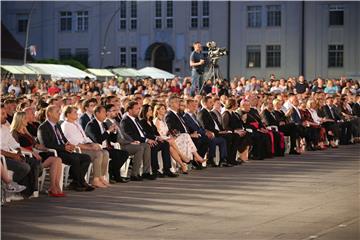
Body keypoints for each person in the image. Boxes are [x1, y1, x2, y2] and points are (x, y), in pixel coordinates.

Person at [37, 105, 94, 192]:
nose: (59, 113)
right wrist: (64, 147)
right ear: (49, 113)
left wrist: (69, 145)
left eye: (59, 112)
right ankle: (78, 183)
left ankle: (77, 182)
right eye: (57, 112)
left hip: (64, 150)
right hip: (54, 153)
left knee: (86, 158)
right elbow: (46, 144)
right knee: (75, 159)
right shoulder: (43, 127)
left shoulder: (57, 125)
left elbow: (63, 139)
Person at [10, 111, 65, 197]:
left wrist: (42, 147)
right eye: (25, 118)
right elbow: (16, 147)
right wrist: (31, 152)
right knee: (54, 160)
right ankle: (53, 187)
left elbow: (34, 144)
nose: (27, 120)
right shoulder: (14, 132)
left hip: (35, 153)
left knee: (58, 159)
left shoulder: (25, 130)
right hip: (27, 155)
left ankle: (55, 185)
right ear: (20, 120)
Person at [120, 101, 177, 179]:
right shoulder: (125, 121)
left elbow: (144, 133)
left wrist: (154, 138)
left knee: (165, 144)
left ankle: (165, 169)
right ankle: (153, 170)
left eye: (139, 108)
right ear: (130, 110)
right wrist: (147, 140)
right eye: (136, 109)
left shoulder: (136, 119)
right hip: (133, 143)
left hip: (144, 140)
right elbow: (131, 136)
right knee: (152, 146)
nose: (138, 110)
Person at [61, 106, 110, 188]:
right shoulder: (66, 125)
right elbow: (73, 142)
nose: (77, 114)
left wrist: (93, 144)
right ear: (68, 114)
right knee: (98, 154)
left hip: (85, 146)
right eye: (74, 112)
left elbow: (85, 137)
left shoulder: (76, 124)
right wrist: (90, 148)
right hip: (77, 150)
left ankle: (101, 177)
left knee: (105, 152)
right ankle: (95, 179)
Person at [85, 105, 130, 183]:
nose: (105, 114)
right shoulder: (91, 125)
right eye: (103, 112)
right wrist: (108, 131)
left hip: (108, 147)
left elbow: (112, 139)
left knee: (124, 154)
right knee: (116, 156)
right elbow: (97, 140)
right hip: (99, 148)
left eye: (105, 112)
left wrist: (114, 132)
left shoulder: (104, 124)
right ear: (97, 113)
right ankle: (115, 176)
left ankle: (112, 172)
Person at [151, 104, 189, 174]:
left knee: (171, 147)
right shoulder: (156, 120)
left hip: (167, 139)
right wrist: (168, 137)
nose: (164, 110)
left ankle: (182, 165)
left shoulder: (163, 120)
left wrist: (171, 133)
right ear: (157, 111)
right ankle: (182, 156)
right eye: (162, 109)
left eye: (164, 109)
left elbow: (166, 132)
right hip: (160, 139)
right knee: (171, 141)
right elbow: (157, 134)